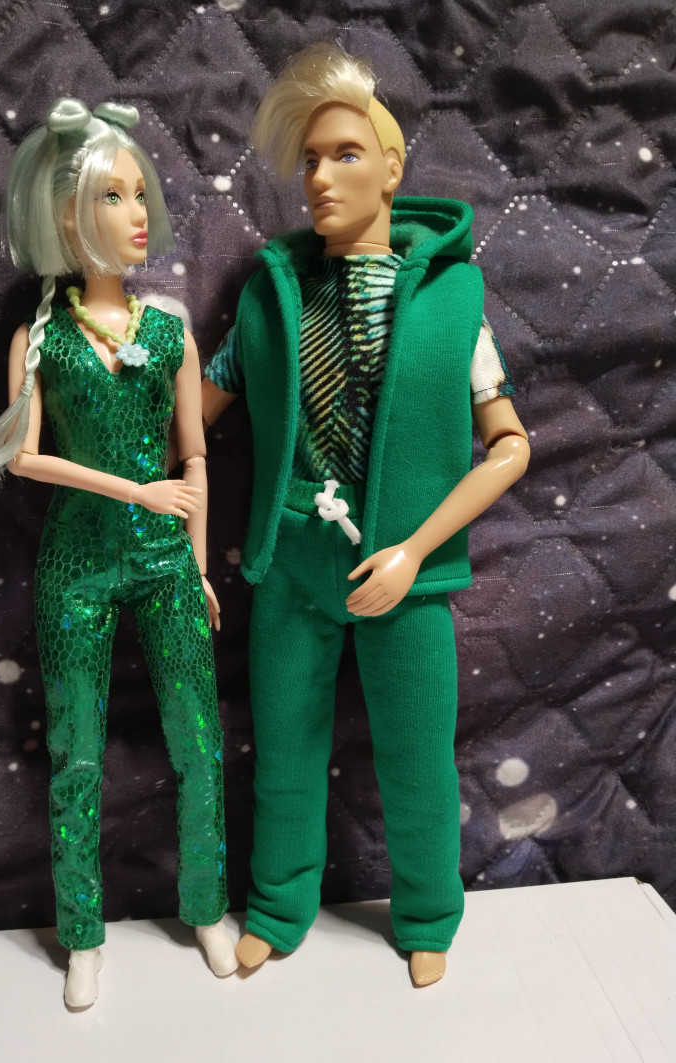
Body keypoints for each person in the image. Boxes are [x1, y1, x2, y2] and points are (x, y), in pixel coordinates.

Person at [201, 44, 530, 987]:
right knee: (285, 754)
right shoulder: (271, 300)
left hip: (407, 574)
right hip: (293, 563)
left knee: (418, 757)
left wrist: (415, 549)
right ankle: (277, 903)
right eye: (309, 159)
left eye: (345, 154)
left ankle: (428, 910)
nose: (320, 177)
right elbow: (200, 409)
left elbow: (510, 444)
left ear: (392, 168)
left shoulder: (453, 300)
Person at [0, 98, 237, 1007]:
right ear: (70, 220)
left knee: (199, 742)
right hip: (75, 563)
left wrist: (197, 563)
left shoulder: (170, 331)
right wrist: (135, 490)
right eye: (115, 196)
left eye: (140, 192)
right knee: (76, 753)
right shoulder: (40, 340)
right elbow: (24, 457)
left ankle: (206, 905)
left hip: (165, 562)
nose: (139, 212)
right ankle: (82, 932)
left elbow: (196, 457)